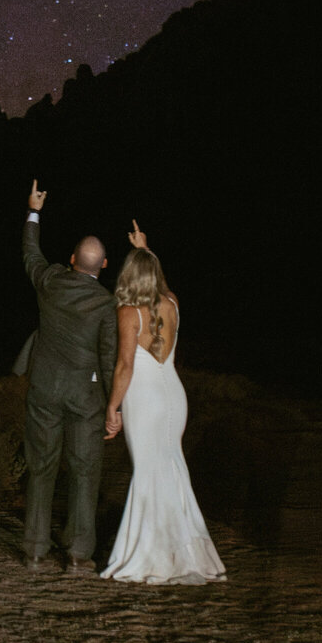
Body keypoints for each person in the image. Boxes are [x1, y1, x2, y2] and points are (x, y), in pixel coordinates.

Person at [100, 222, 226, 584]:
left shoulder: (128, 312)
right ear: (155, 273)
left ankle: (150, 555)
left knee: (149, 473)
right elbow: (165, 286)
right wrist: (148, 248)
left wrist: (113, 407)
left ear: (127, 275)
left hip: (146, 399)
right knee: (171, 470)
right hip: (174, 395)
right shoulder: (172, 303)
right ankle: (181, 549)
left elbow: (124, 366)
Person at [20, 179, 118, 574]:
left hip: (45, 388)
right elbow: (110, 359)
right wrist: (114, 407)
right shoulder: (107, 304)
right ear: (104, 265)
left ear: (73, 260)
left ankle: (35, 551)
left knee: (41, 467)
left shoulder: (51, 281)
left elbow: (30, 253)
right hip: (86, 396)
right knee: (84, 473)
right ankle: (78, 555)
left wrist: (34, 211)